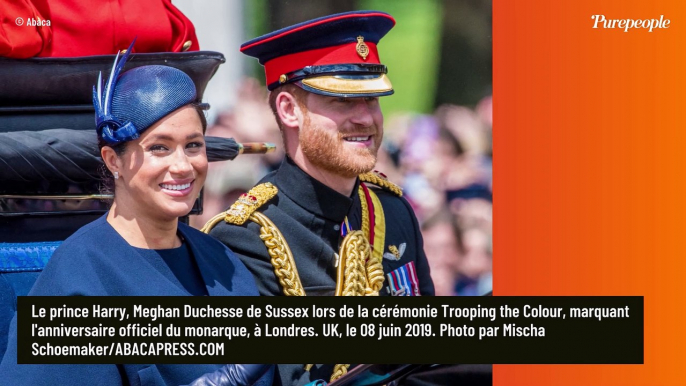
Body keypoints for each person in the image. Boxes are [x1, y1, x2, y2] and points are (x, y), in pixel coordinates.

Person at [0, 43, 272, 386]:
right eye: (159, 147)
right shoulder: (78, 278)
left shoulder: (222, 261)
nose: (183, 166)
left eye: (193, 145)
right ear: (114, 161)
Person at [203, 11, 434, 385]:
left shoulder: (393, 210)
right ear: (289, 110)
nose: (366, 119)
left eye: (373, 100)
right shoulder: (246, 237)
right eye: (344, 102)